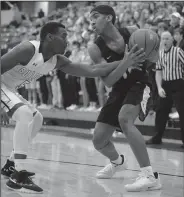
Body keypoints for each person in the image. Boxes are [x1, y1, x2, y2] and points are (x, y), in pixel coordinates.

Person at [1, 21, 145, 193]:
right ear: (49, 37)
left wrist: (125, 61)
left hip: (10, 89)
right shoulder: (28, 49)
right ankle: (19, 172)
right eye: (63, 36)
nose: (67, 40)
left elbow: (93, 70)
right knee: (24, 114)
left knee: (37, 118)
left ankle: (10, 164)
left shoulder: (57, 61)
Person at [88, 5, 161, 192]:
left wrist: (146, 60)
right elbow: (109, 81)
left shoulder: (133, 32)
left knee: (125, 118)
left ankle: (149, 175)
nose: (91, 21)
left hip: (140, 83)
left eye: (95, 16)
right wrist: (126, 63)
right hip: (118, 90)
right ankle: (117, 162)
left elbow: (152, 57)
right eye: (90, 19)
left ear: (109, 18)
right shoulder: (95, 47)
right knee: (98, 141)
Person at [146, 31, 184, 148]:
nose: (165, 41)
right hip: (165, 85)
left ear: (172, 40)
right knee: (161, 111)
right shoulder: (160, 54)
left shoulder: (178, 52)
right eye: (163, 39)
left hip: (178, 84)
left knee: (182, 112)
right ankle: (157, 137)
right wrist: (159, 87)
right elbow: (158, 72)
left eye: (167, 38)